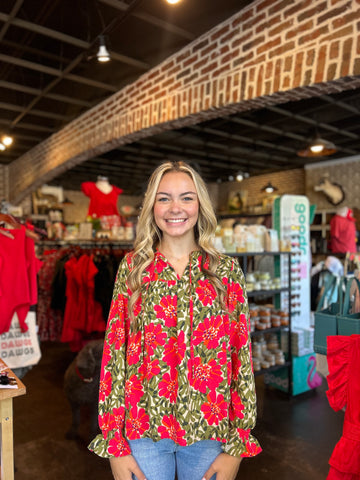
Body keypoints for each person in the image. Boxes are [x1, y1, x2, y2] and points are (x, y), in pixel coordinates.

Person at [88, 161, 261, 480]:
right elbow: (114, 354)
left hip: (210, 431)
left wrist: (237, 444)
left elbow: (240, 357)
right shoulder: (134, 268)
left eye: (186, 197)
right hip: (142, 432)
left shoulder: (225, 272)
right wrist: (115, 442)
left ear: (200, 205)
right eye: (164, 198)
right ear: (152, 206)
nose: (175, 208)